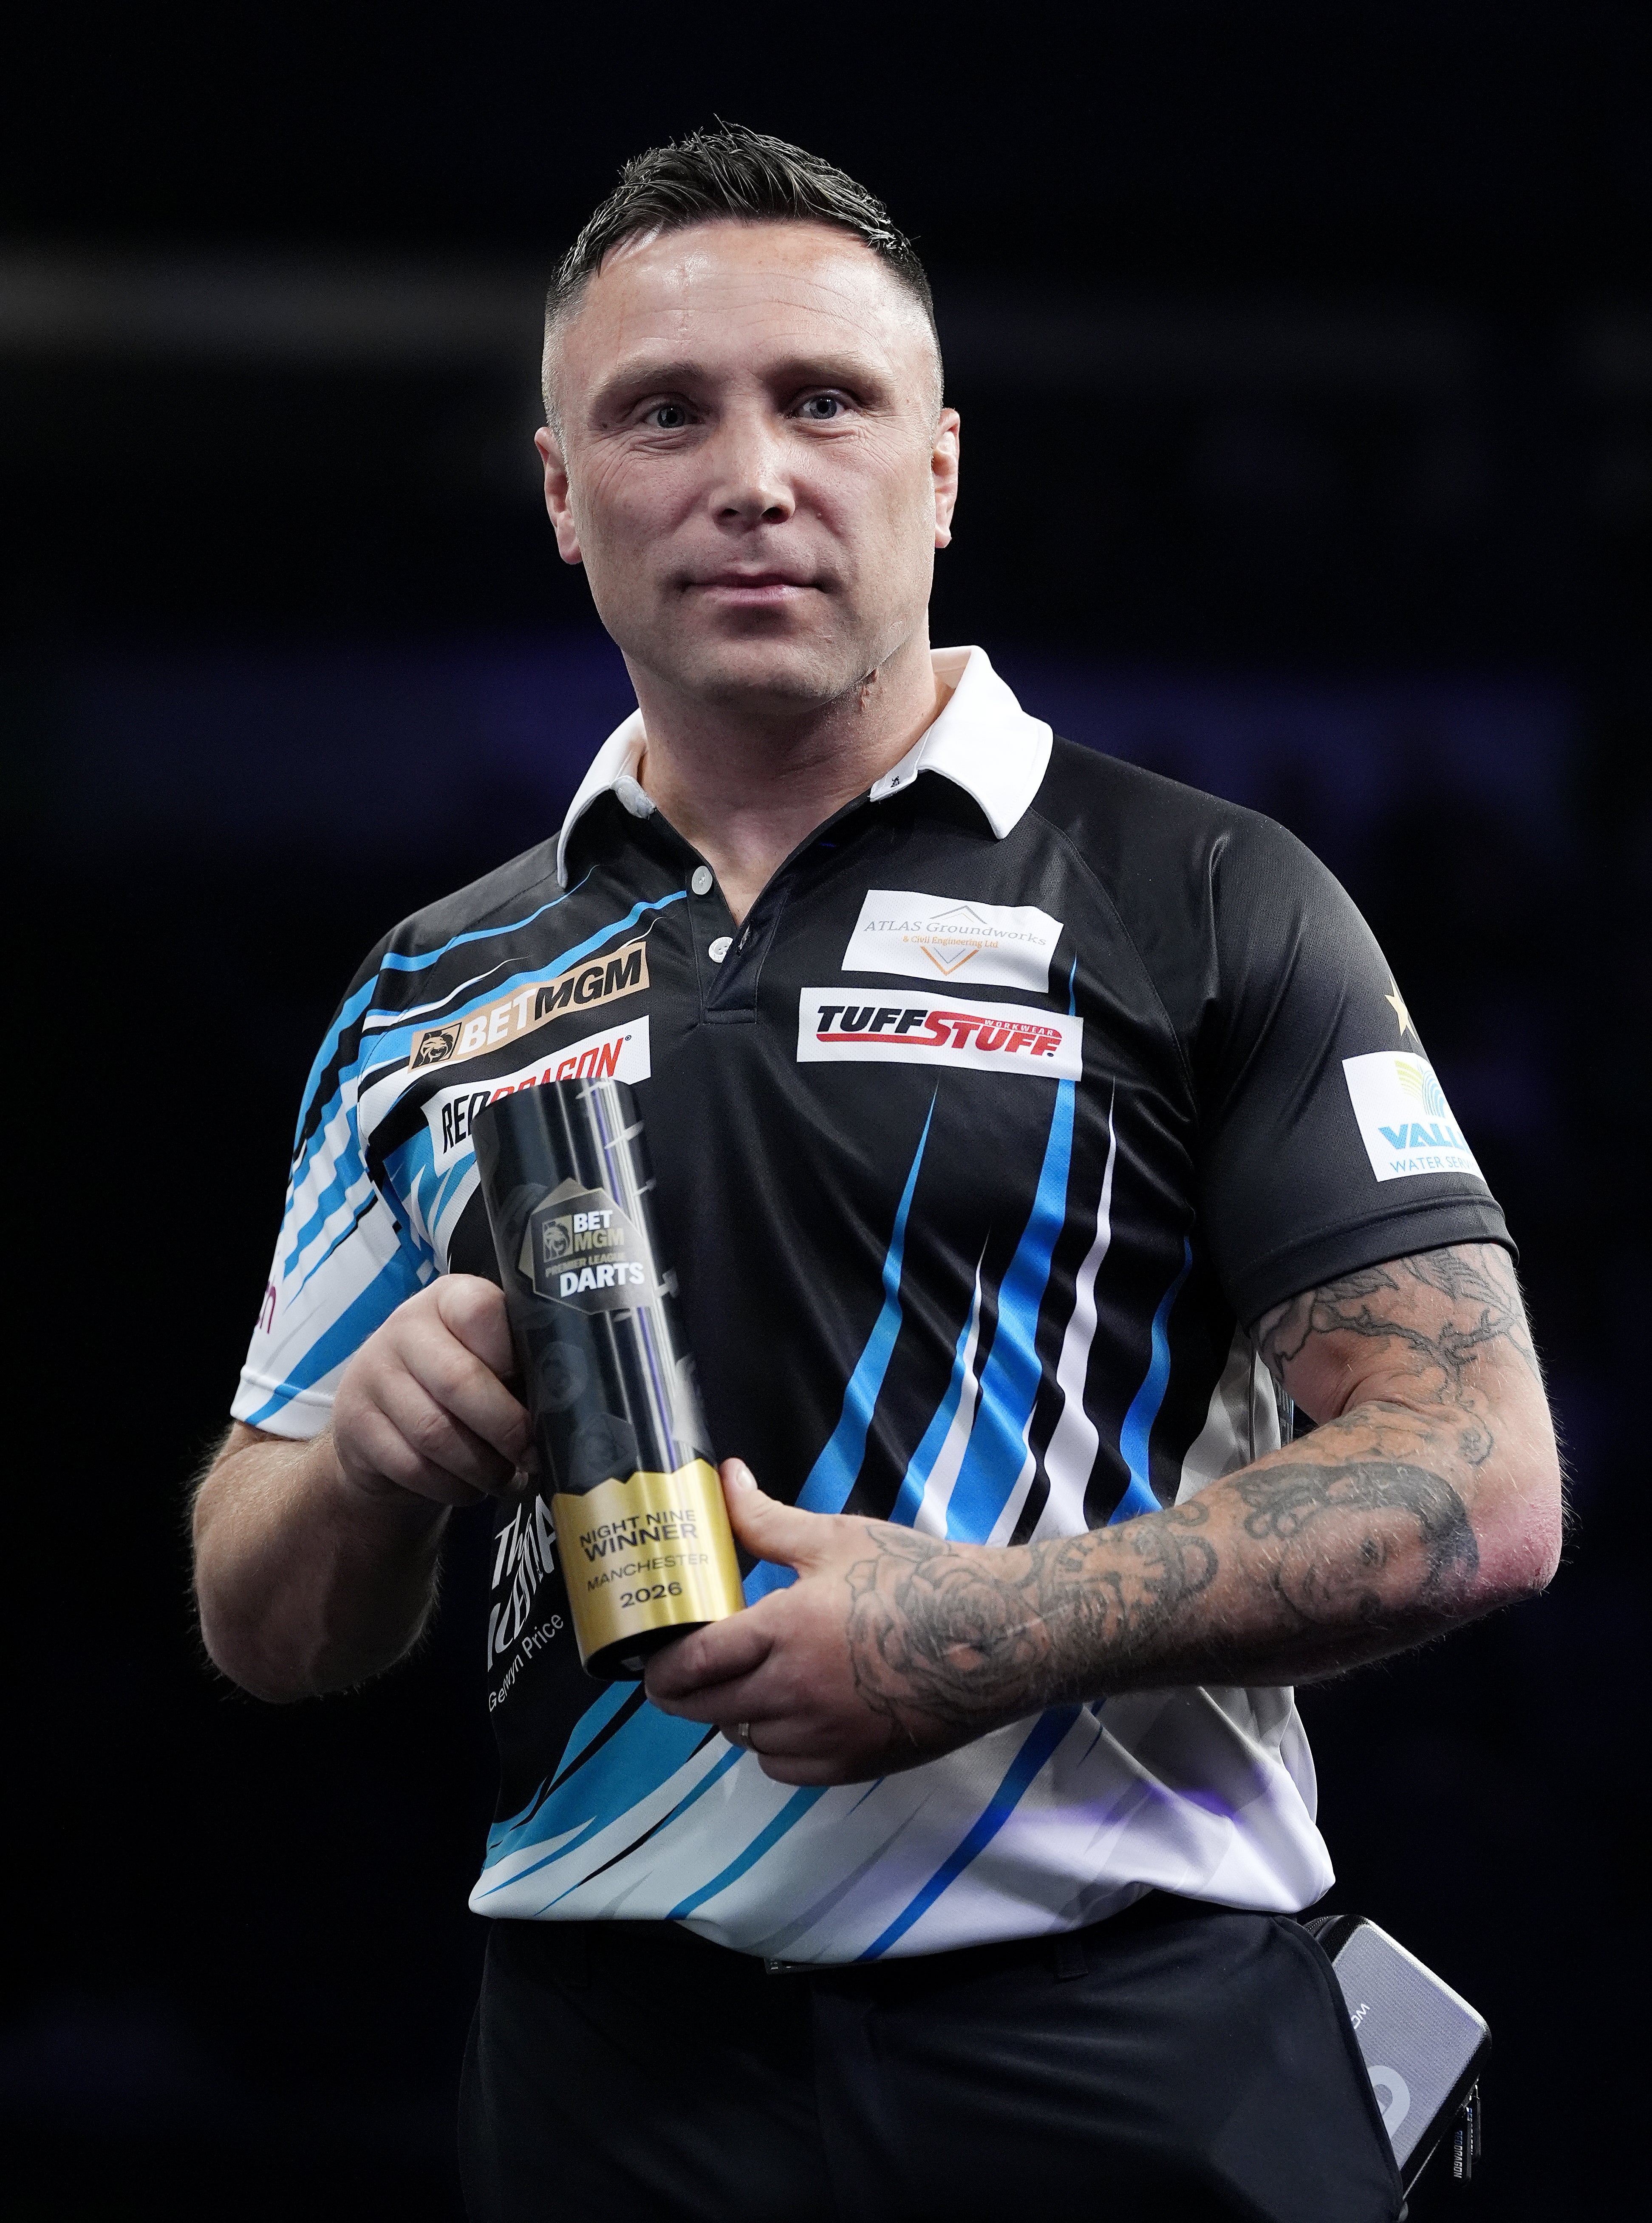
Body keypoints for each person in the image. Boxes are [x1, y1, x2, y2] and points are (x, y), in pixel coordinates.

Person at [192, 127, 1561, 2223]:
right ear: (565, 497)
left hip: (1132, 2046)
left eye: (823, 401)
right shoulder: (426, 988)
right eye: (664, 410)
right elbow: (258, 1606)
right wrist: (364, 1464)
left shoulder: (1208, 895)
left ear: (937, 469)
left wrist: (979, 1627)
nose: (752, 473)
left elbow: (1480, 1479)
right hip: (605, 2069)